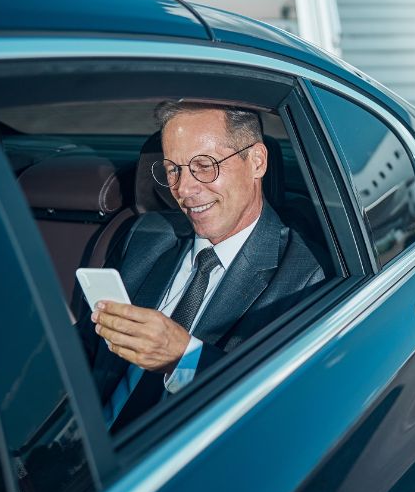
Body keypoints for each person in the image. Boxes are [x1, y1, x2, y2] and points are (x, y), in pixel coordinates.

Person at [83, 101, 325, 433]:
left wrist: (183, 358)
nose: (183, 189)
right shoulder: (146, 236)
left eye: (204, 165)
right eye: (173, 169)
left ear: (256, 161)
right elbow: (84, 352)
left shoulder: (303, 275)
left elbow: (282, 411)